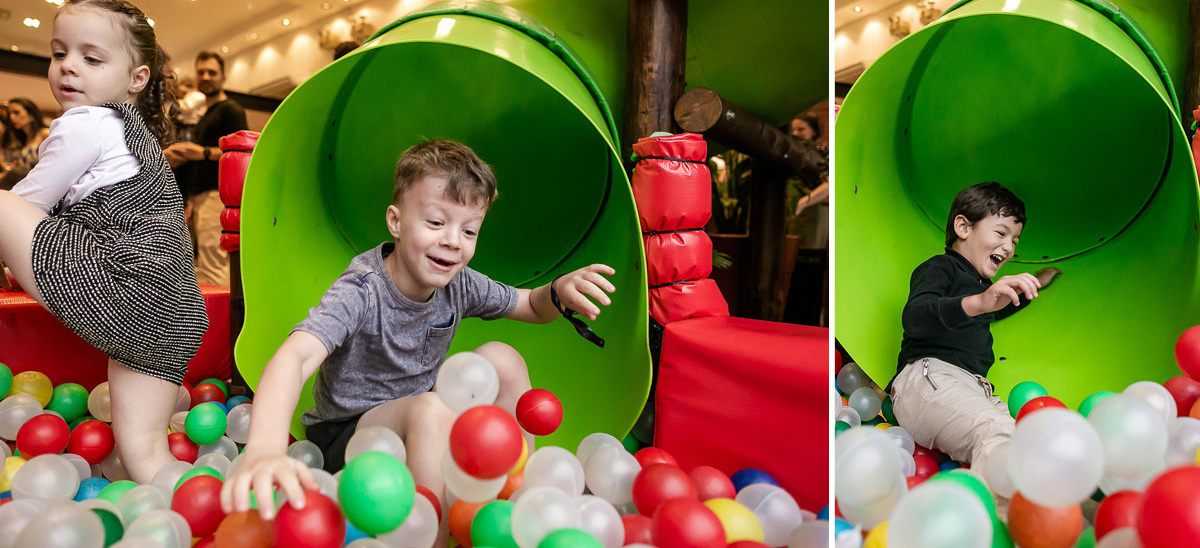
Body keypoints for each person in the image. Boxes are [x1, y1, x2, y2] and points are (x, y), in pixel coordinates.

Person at [219, 140, 615, 541]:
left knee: (503, 357)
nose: (452, 241)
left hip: (426, 421)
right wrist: (265, 448)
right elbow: (297, 356)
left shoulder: (458, 283)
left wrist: (559, 290)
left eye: (469, 230)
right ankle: (434, 536)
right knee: (430, 409)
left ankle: (518, 494)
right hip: (351, 436)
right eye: (435, 223)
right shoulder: (362, 289)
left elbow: (531, 304)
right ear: (396, 221)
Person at [0, 0, 207, 483]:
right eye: (59, 53)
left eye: (92, 59)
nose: (68, 66)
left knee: (1, 203)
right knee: (145, 450)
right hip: (174, 309)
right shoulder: (136, 134)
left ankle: (202, 508)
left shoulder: (86, 123)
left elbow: (26, 203)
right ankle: (178, 431)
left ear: (136, 78)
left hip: (127, 288)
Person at [889, 182, 1060, 482]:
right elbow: (916, 317)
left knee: (1031, 440)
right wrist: (979, 302)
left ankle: (1053, 512)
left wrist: (1035, 283)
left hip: (975, 388)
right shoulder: (941, 268)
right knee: (998, 433)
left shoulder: (981, 289)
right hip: (928, 379)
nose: (1009, 247)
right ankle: (997, 521)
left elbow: (997, 306)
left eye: (1015, 241)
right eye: (1001, 233)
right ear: (963, 227)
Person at [163, 50, 247, 286]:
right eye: (201, 72)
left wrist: (202, 152)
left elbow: (243, 151)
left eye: (212, 72)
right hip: (203, 197)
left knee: (214, 264)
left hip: (218, 195)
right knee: (208, 261)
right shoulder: (205, 115)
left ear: (223, 77)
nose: (206, 77)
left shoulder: (230, 109)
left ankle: (224, 322)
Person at [0, 98, 51, 188]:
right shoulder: (23, 139)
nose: (12, 117)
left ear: (31, 114)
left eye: (16, 112)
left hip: (41, 185)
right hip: (26, 185)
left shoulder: (44, 133)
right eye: (10, 114)